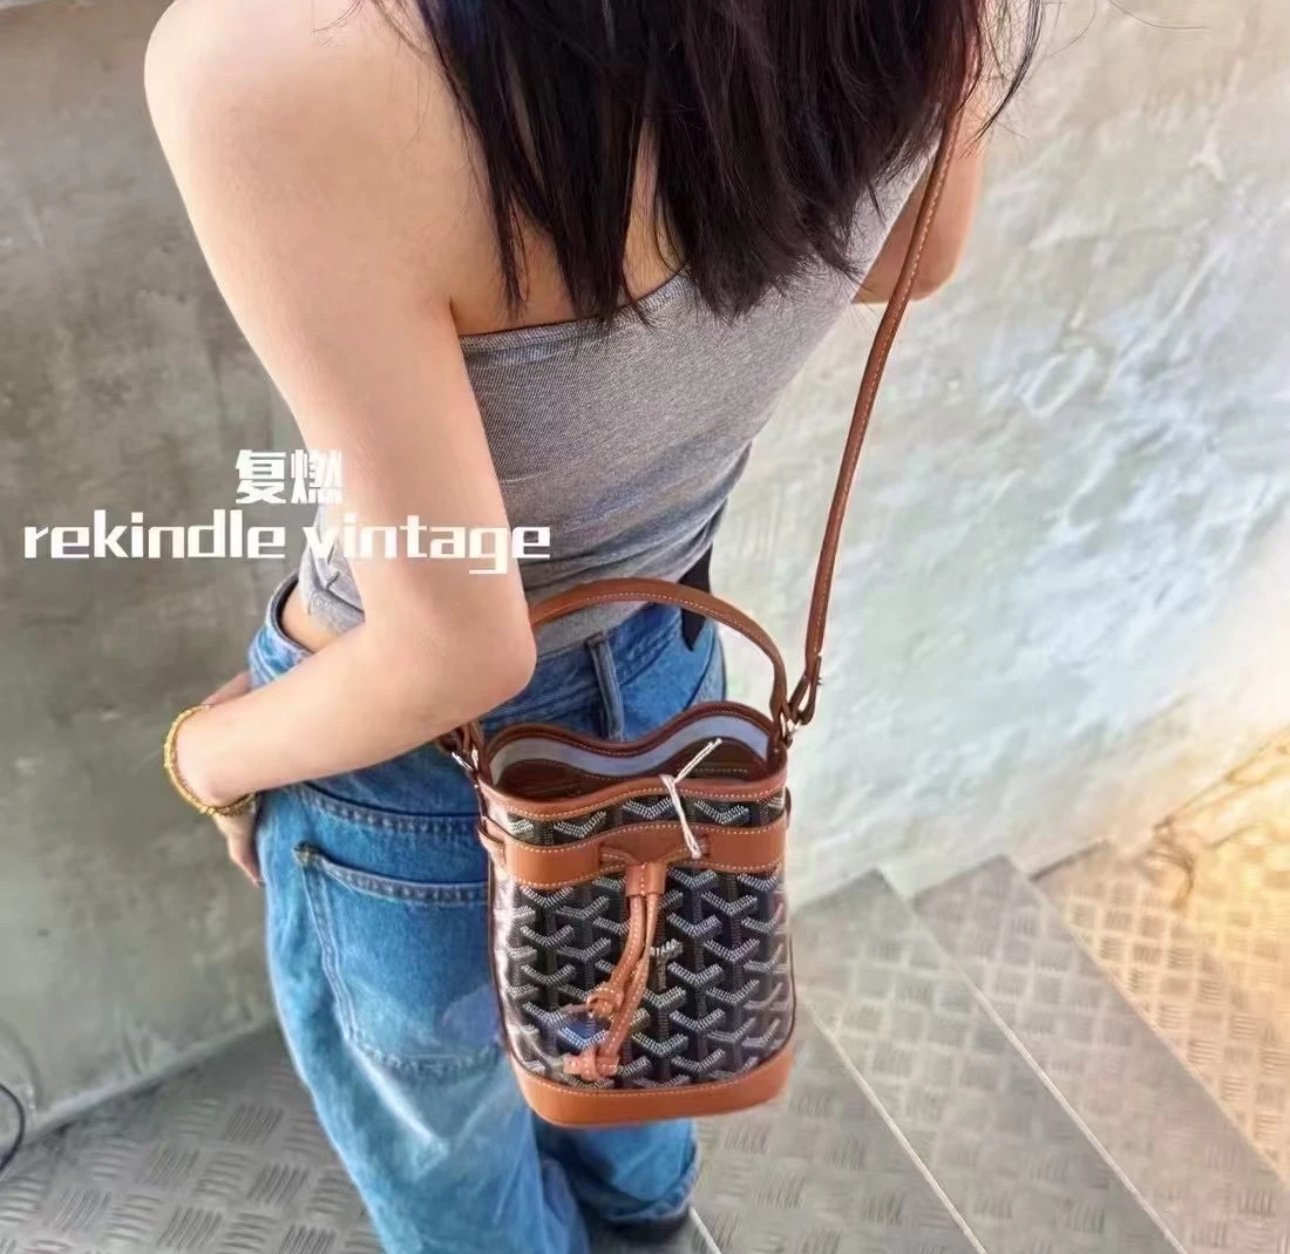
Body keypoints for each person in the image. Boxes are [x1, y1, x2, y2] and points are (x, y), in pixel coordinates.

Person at [145, 1, 1038, 1250]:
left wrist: (204, 756)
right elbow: (913, 255)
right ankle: (648, 1222)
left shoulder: (270, 58)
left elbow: (454, 651)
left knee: (448, 1143)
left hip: (408, 763)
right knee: (642, 1022)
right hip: (673, 682)